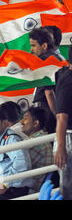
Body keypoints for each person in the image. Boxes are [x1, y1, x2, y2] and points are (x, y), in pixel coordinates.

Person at [30, 27, 61, 132]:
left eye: (33, 45)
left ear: (44, 46)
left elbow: (49, 92)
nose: (31, 50)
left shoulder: (47, 60)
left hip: (48, 112)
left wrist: (58, 117)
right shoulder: (54, 58)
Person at [20, 107, 54, 193]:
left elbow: (19, 166)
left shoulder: (35, 142)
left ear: (35, 123)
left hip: (30, 192)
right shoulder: (39, 138)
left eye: (25, 118)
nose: (22, 121)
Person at [54, 45, 72, 200]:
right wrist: (61, 147)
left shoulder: (65, 73)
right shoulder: (68, 82)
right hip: (69, 140)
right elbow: (61, 117)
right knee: (69, 187)